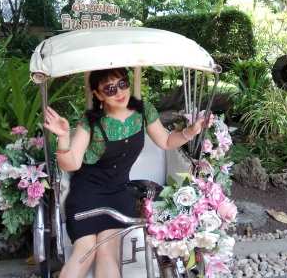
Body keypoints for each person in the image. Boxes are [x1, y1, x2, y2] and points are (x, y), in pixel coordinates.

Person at [43, 67, 208, 278]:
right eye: (110, 89)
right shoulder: (90, 122)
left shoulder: (143, 111)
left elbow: (166, 141)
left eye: (122, 84)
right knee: (85, 251)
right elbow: (71, 164)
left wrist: (190, 132)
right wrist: (63, 137)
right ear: (98, 94)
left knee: (107, 253)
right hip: (86, 194)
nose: (119, 92)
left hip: (118, 193)